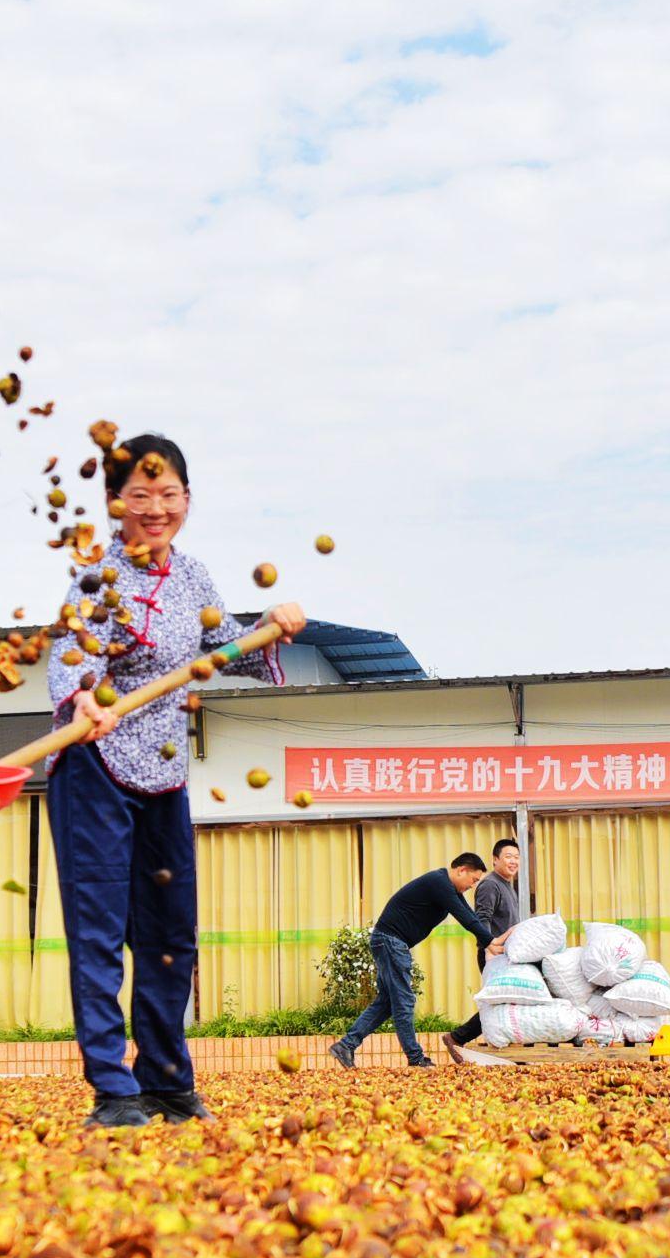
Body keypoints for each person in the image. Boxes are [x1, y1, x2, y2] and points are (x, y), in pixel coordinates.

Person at [46, 434, 305, 1130]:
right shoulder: (95, 578)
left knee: (170, 936)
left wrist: (269, 632)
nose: (155, 509)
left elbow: (220, 656)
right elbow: (70, 655)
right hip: (94, 769)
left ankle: (165, 1082)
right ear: (113, 504)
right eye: (140, 496)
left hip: (163, 772)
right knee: (100, 934)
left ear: (187, 500)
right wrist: (82, 699)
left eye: (168, 496)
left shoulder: (193, 580)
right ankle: (114, 1089)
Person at [335, 854, 501, 1068]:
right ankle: (416, 1058)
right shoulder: (439, 883)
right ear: (461, 870)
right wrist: (490, 941)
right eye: (474, 880)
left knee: (386, 1003)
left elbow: (470, 914)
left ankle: (346, 1045)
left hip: (389, 942)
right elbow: (464, 917)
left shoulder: (447, 886)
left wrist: (491, 941)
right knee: (404, 1001)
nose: (473, 885)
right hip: (391, 942)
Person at [446, 836, 526, 1054]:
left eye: (517, 857)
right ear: (495, 860)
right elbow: (483, 918)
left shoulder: (506, 885)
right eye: (508, 856)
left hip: (504, 954)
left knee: (504, 1002)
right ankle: (456, 1037)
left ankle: (459, 1038)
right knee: (499, 1003)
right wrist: (487, 948)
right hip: (493, 954)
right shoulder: (491, 884)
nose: (513, 861)